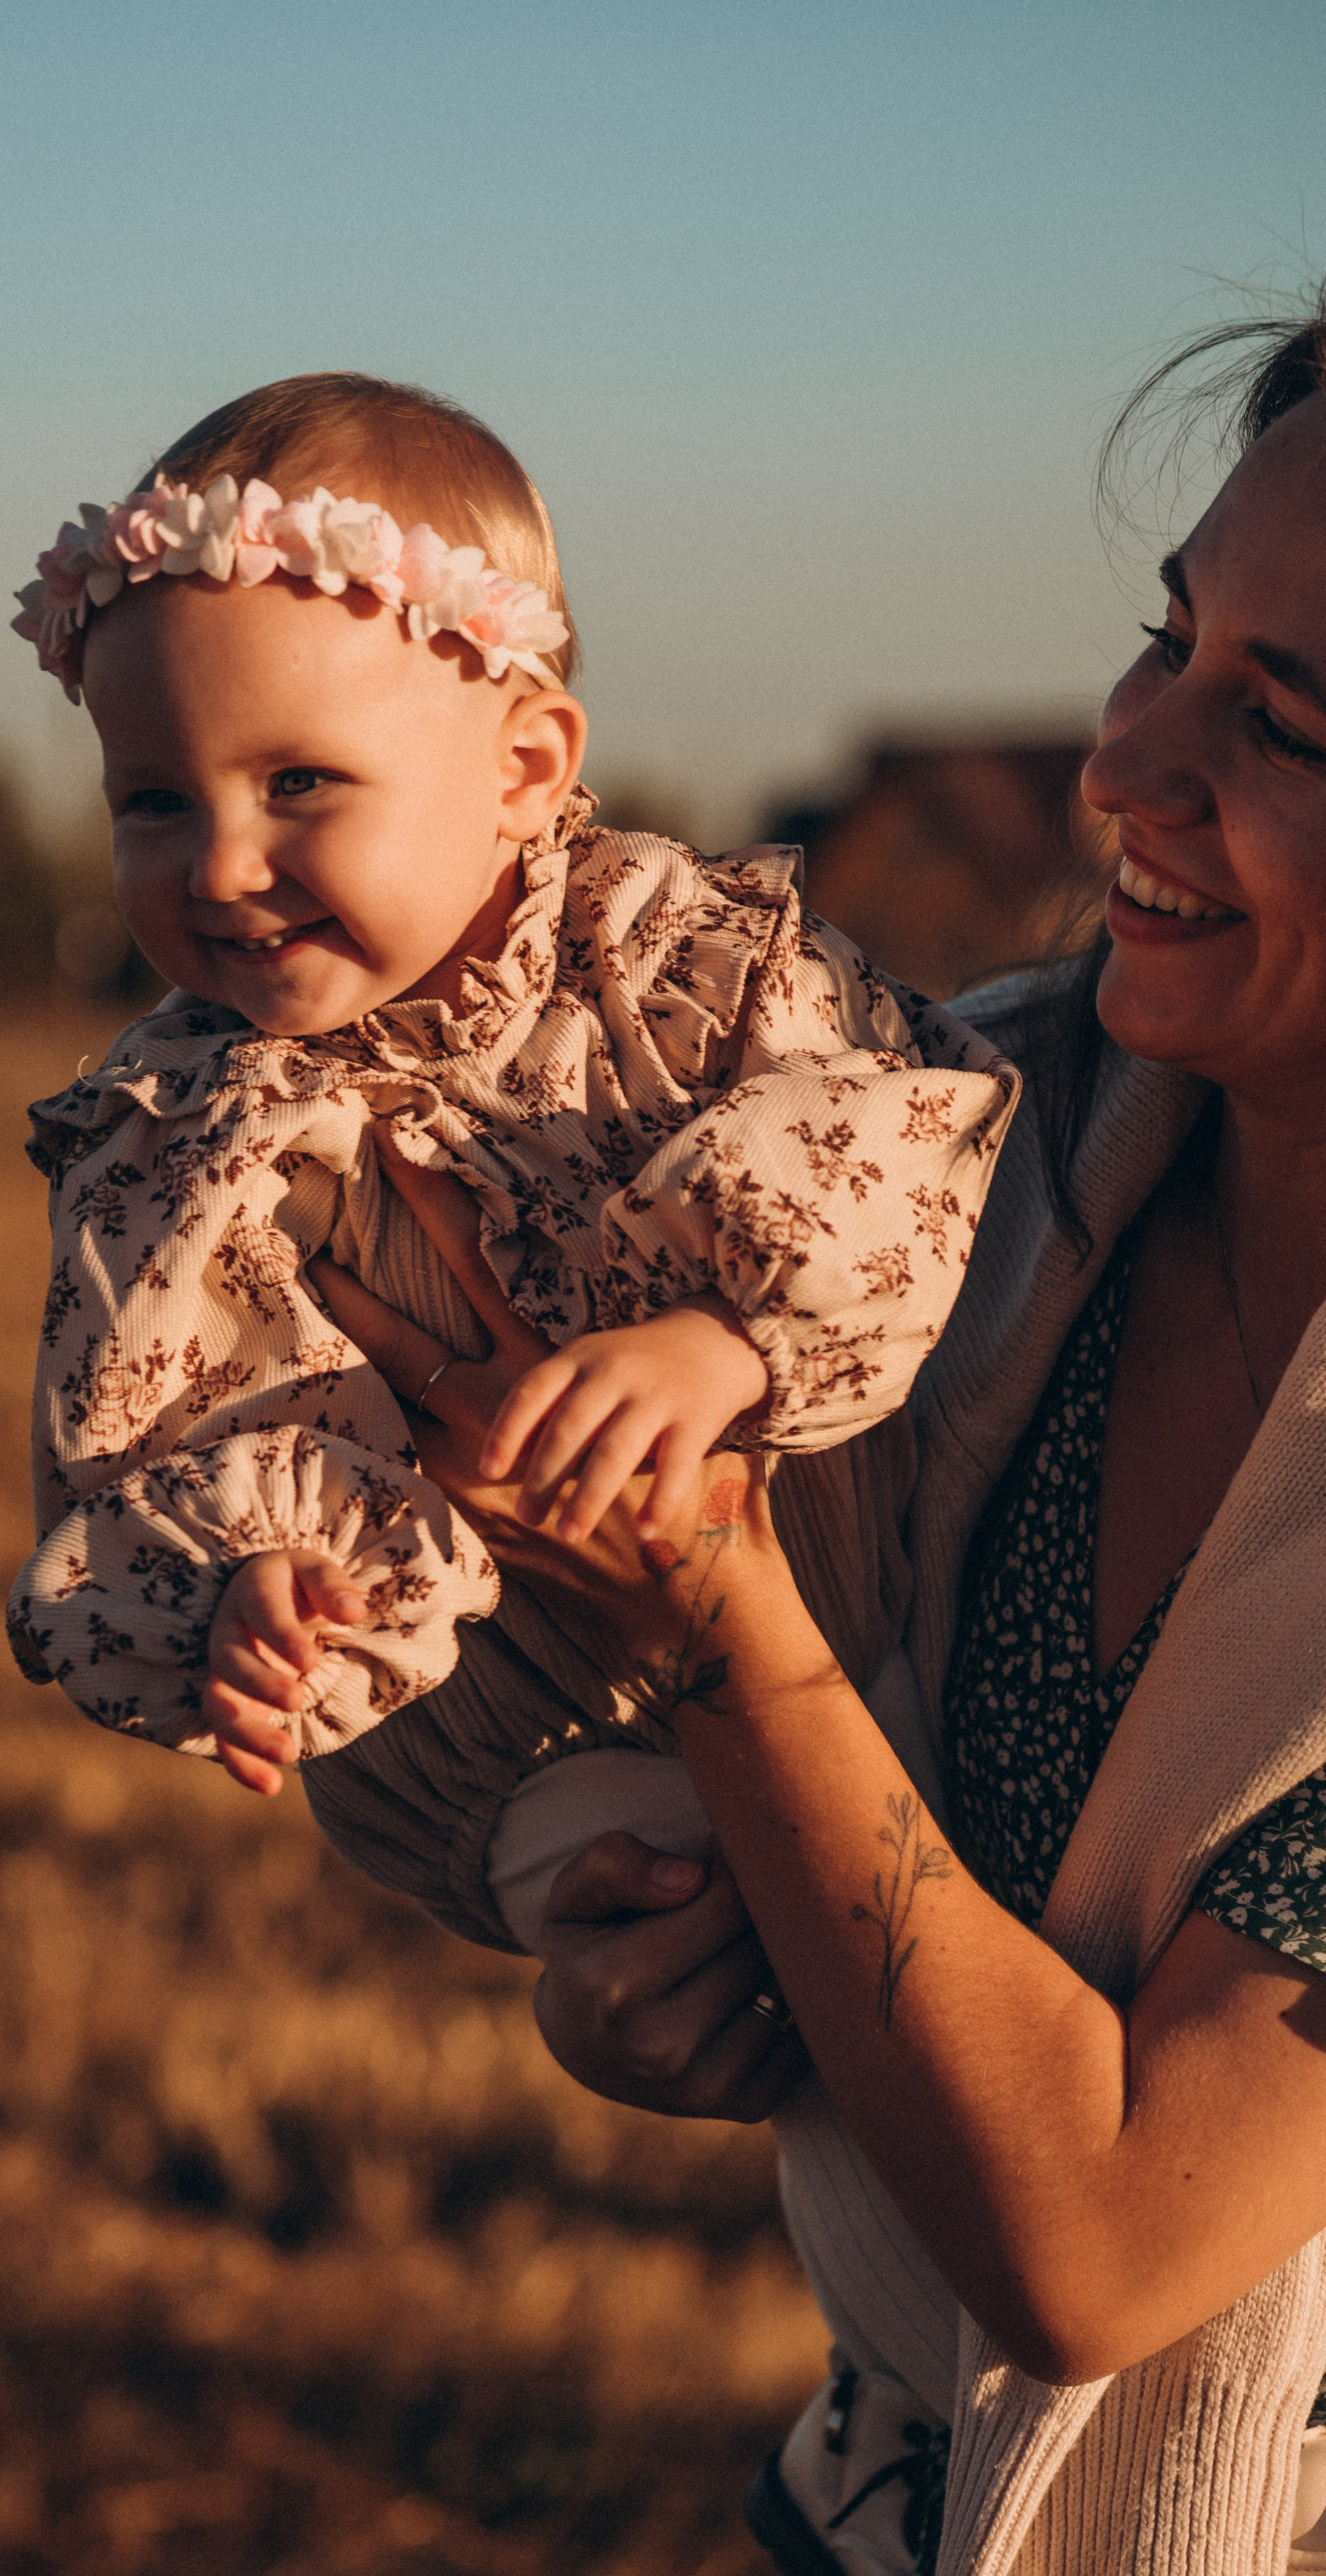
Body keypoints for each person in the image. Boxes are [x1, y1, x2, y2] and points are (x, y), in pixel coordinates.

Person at [297, 297, 1326, 2576]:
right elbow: (565, 1713)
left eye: (1286, 722)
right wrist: (646, 1937)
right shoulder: (916, 1151)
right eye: (1167, 643)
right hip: (865, 2506)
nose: (1125, 764)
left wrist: (734, 1618)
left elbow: (1100, 2242)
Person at [4, 375, 1017, 1859]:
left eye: (297, 783)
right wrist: (262, 1583)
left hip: (870, 1626)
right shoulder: (176, 1137)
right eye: (153, 802)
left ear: (523, 770)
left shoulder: (671, 966)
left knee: (918, 1884)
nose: (218, 869)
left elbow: (885, 1146)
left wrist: (718, 1341)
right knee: (625, 1891)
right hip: (510, 1737)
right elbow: (166, 1428)